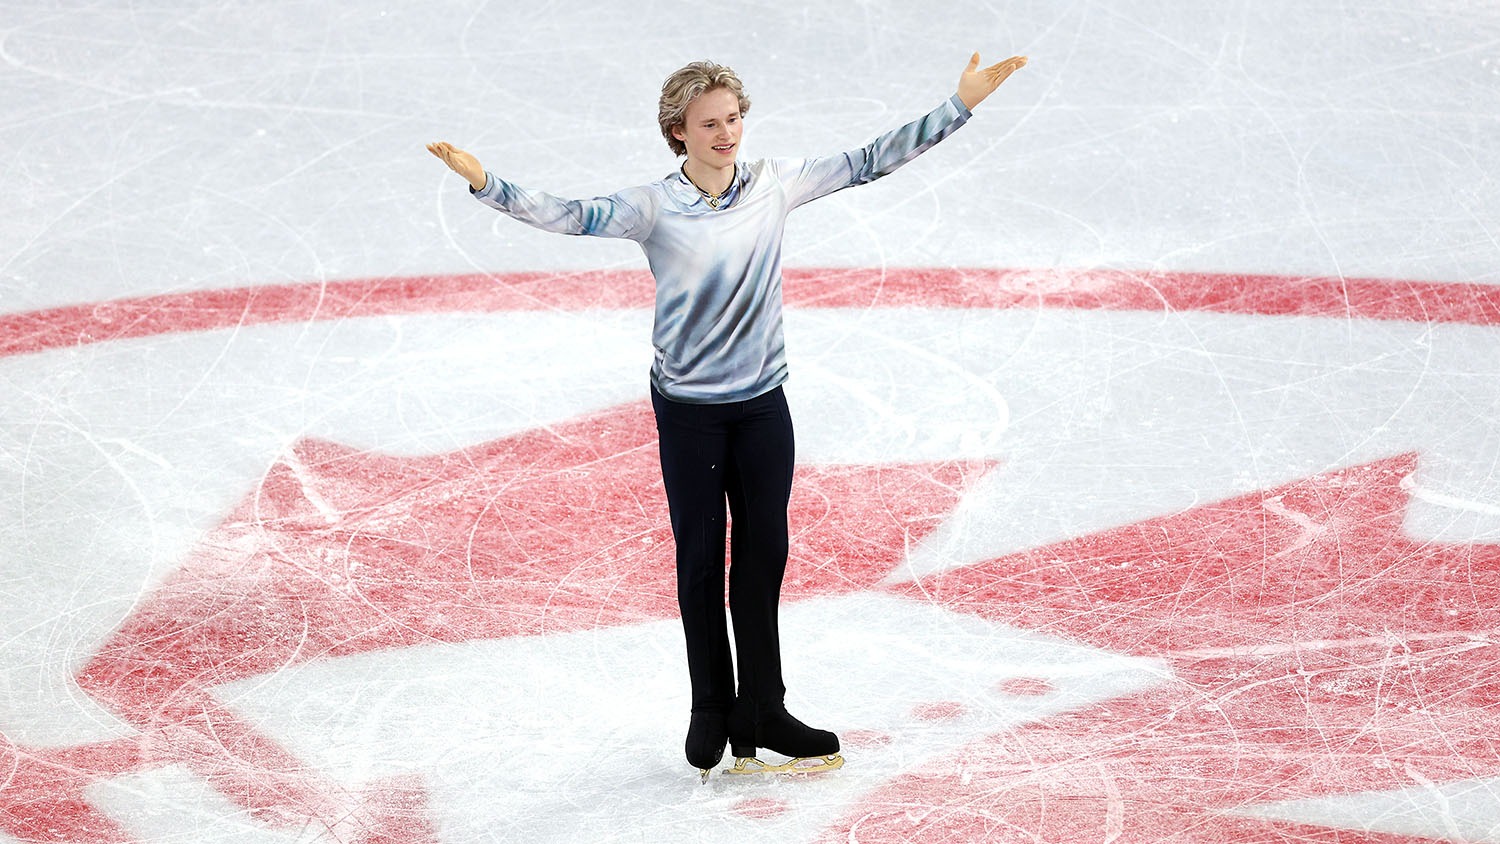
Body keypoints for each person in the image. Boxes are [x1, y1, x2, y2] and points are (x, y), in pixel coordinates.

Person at [427, 52, 1027, 778]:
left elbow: (871, 160)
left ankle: (762, 709)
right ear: (677, 132)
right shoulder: (652, 206)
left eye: (734, 119)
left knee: (764, 556)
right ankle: (711, 706)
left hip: (762, 406)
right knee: (700, 560)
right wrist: (487, 183)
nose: (727, 133)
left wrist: (957, 104)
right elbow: (572, 216)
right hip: (689, 414)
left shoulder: (774, 185)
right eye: (709, 123)